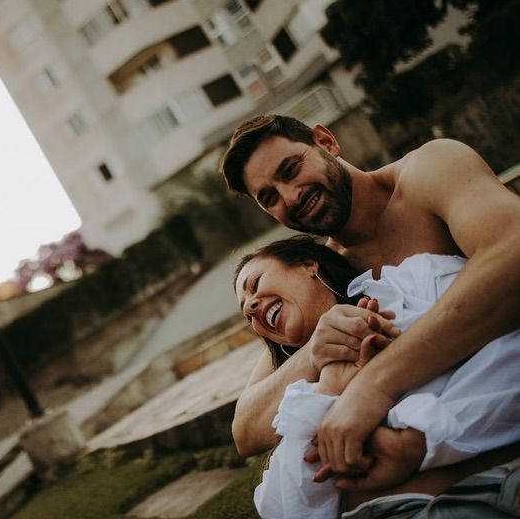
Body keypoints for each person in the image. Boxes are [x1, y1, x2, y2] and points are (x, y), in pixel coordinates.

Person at [218, 114, 520, 484]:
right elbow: (246, 431)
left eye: (292, 169)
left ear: (326, 142)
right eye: (270, 198)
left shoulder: (428, 171)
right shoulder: (328, 275)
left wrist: (374, 385)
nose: (291, 196)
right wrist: (313, 352)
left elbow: (513, 252)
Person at [233, 236, 520, 517]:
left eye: (255, 284)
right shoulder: (298, 397)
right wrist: (327, 387)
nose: (249, 308)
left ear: (308, 265)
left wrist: (416, 440)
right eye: (247, 316)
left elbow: (509, 350)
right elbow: (284, 508)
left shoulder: (412, 282)